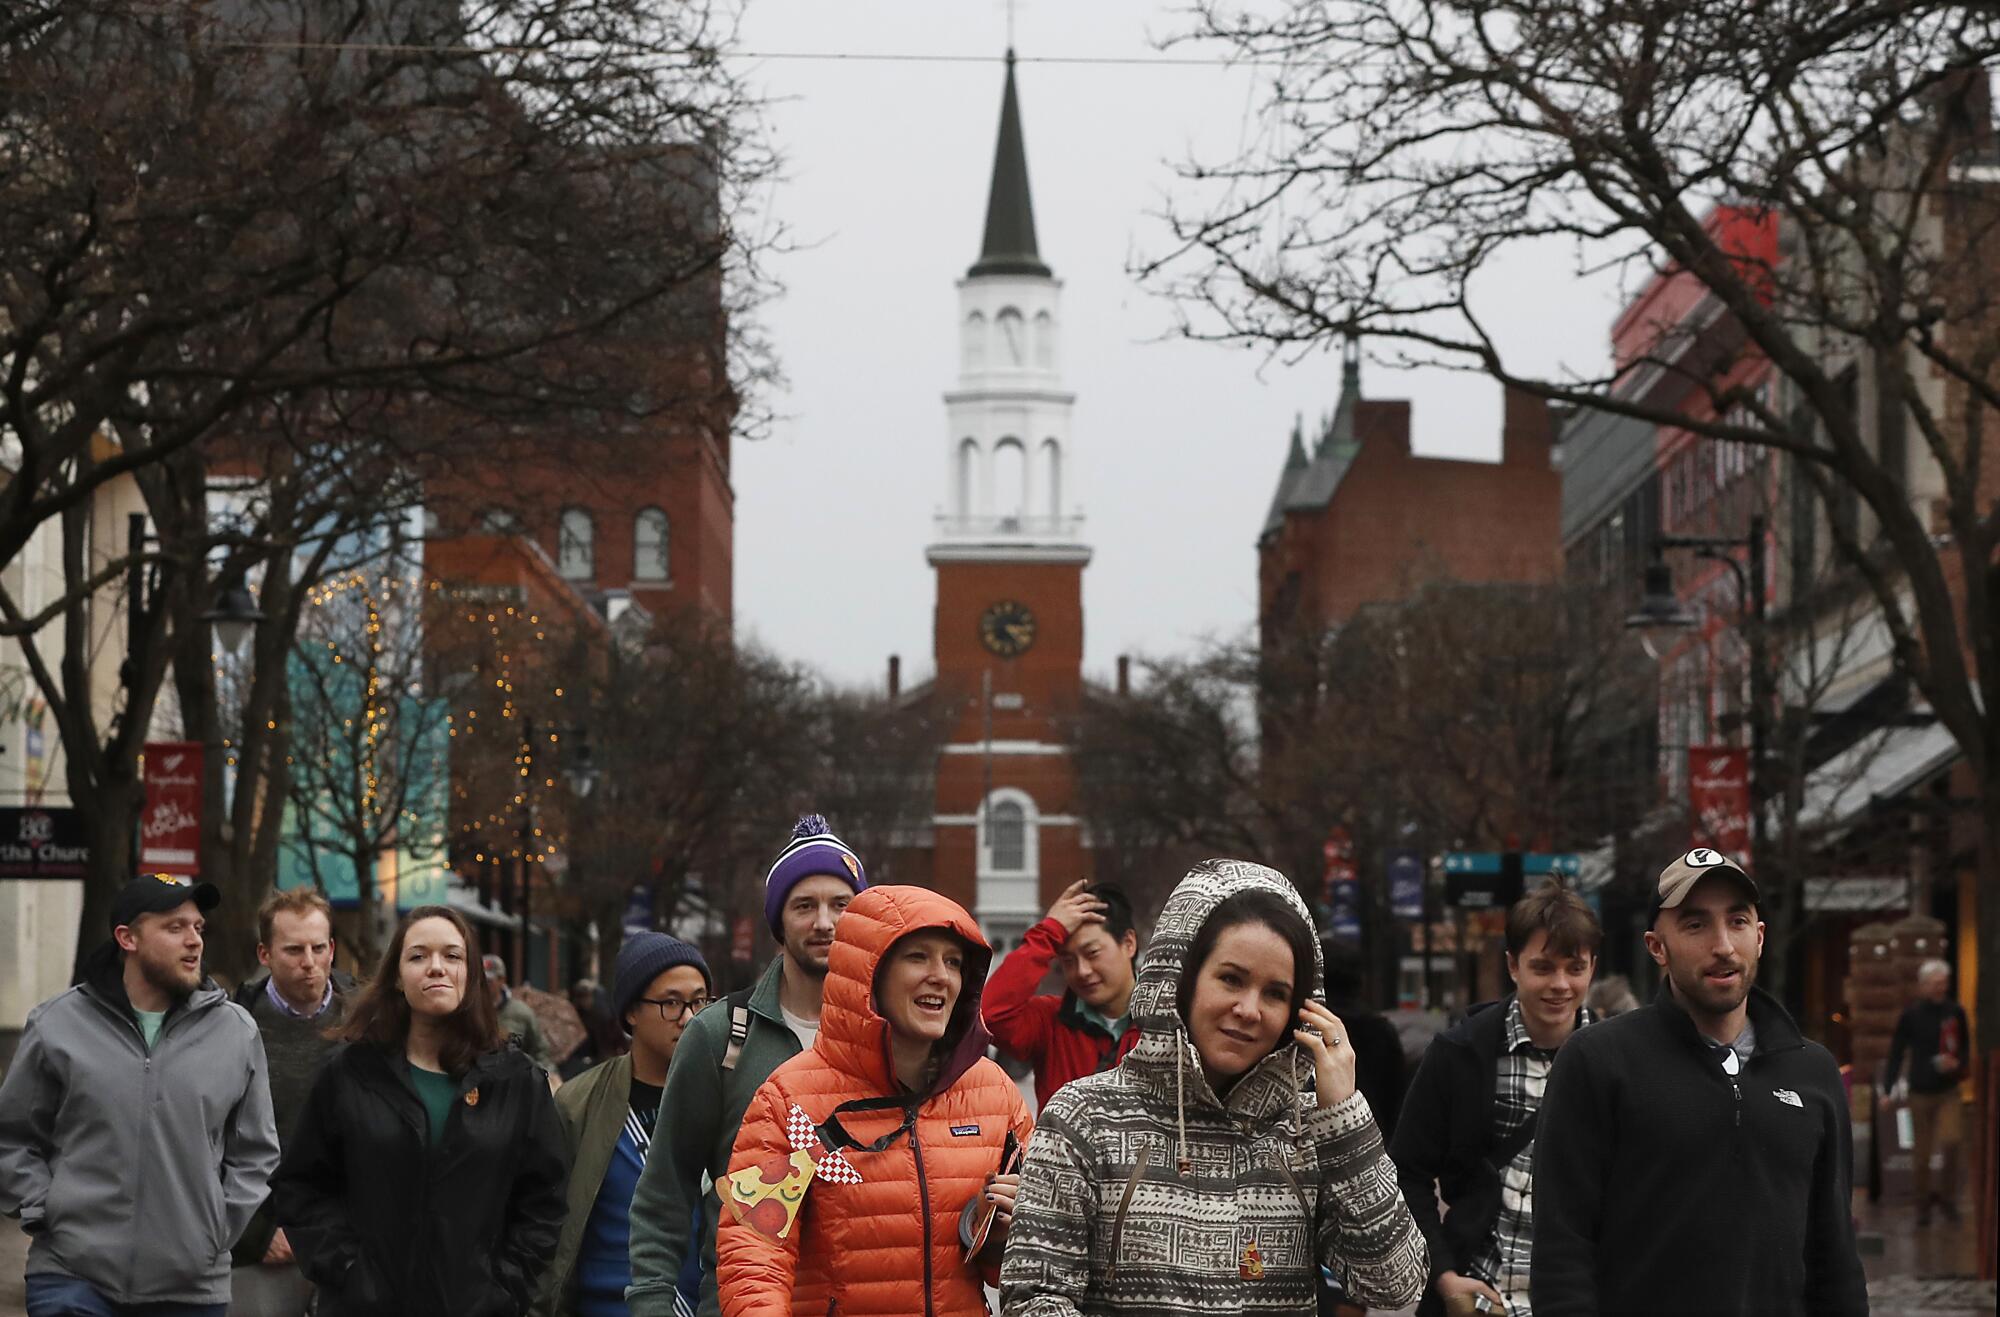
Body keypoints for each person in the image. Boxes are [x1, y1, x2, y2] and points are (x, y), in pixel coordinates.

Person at [1000, 858, 1429, 1316]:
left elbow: (1394, 1285)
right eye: (1231, 979)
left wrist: (1345, 1121)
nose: (1249, 1009)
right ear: (1180, 980)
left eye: (1275, 993)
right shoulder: (1084, 1117)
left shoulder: (1305, 1135)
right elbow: (1033, 1299)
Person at [1530, 848, 1867, 1316]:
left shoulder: (1813, 1071)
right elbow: (1561, 1253)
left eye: (1738, 921)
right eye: (1696, 924)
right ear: (1656, 947)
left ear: (1760, 936)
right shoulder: (1597, 1062)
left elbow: (1836, 1259)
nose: (1723, 945)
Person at [715, 885, 1034, 1316]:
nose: (941, 976)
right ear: (868, 973)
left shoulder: (994, 1095)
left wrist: (1000, 1238)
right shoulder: (790, 1100)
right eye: (918, 956)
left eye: (954, 962)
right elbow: (753, 1259)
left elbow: (1035, 1267)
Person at [0, 873, 281, 1317]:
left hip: (188, 1286)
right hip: (72, 1277)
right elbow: (11, 1136)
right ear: (127, 938)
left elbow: (256, 1153)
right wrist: (46, 1209)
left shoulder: (235, 1033)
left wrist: (215, 1231)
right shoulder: (57, 1024)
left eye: (198, 928)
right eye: (175, 928)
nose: (194, 941)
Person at [273, 905, 568, 1317]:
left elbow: (544, 1200)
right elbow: (302, 1187)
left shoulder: (515, 1081)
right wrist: (348, 1270)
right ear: (396, 975)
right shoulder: (349, 1074)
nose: (436, 968)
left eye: (452, 956)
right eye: (418, 956)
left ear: (471, 973)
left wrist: (502, 1286)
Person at [626, 813, 867, 1317]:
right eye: (804, 905)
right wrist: (650, 1304)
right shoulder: (718, 1036)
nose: (824, 922)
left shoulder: (888, 1037)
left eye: (840, 904)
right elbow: (664, 1190)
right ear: (779, 921)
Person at [1389, 882, 1599, 1317]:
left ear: (1592, 967)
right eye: (1542, 968)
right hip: (1478, 1298)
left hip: (1577, 1299)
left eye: (1574, 968)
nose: (1560, 985)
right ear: (1513, 966)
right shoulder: (1459, 1053)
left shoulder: (1617, 1059)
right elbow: (1407, 1172)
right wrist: (1444, 1277)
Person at [533, 934, 712, 1317]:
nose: (690, 1018)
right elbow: (544, 1225)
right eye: (671, 1003)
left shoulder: (728, 1097)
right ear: (631, 1011)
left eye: (699, 1001)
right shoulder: (578, 1103)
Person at [229, 887, 358, 1317]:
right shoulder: (231, 1029)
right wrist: (254, 1233)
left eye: (319, 948)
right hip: (268, 1241)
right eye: (294, 950)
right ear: (265, 954)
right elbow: (209, 1139)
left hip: (353, 1241)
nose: (309, 962)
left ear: (332, 948)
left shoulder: (368, 1022)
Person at [983, 879, 1143, 1109]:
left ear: (1129, 943)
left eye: (1093, 953)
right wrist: (1049, 932)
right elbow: (991, 1014)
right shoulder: (1050, 1022)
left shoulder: (1169, 1023)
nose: (1082, 971)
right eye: (1068, 960)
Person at [1884, 957, 1971, 1225]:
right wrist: (1887, 1090)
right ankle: (1922, 1205)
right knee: (1921, 1154)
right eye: (1935, 983)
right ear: (1922, 986)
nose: (1940, 988)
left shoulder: (1955, 1011)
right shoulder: (1911, 1015)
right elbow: (1897, 1052)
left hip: (1948, 1090)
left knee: (1952, 1143)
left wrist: (1959, 1064)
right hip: (1920, 1091)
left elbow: (1965, 1046)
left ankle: (1948, 1200)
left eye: (1944, 983)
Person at [486, 953, 555, 1069]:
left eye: (488, 980)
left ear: (501, 980)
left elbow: (541, 1052)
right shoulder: (467, 1011)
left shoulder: (521, 1012)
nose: (482, 985)